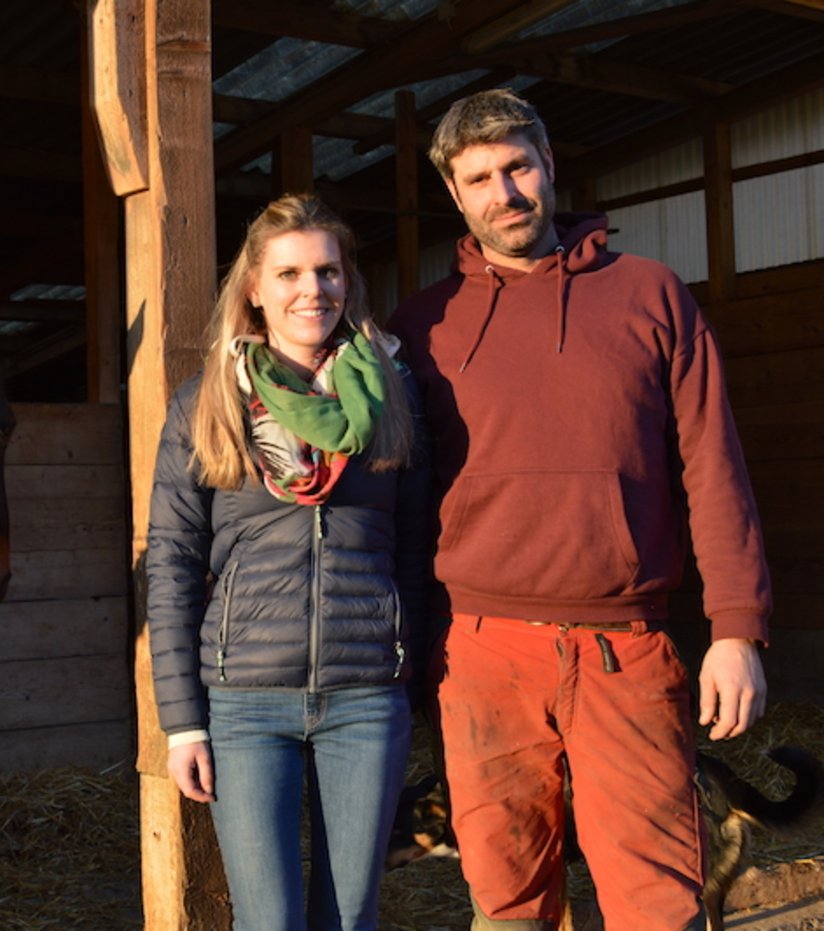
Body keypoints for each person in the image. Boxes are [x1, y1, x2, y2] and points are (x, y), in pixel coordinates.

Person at [387, 89, 771, 931]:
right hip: (480, 650)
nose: (506, 192)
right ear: (455, 194)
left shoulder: (650, 294)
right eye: (480, 177)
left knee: (657, 898)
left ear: (549, 164)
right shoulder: (422, 327)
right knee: (509, 897)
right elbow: (398, 505)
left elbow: (713, 465)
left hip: (625, 648)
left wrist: (737, 627)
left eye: (518, 166)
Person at [146, 193, 431, 931]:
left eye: (328, 271)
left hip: (366, 697)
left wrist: (409, 672)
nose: (313, 290)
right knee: (269, 920)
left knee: (350, 915)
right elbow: (172, 563)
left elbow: (417, 548)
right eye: (291, 273)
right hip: (244, 703)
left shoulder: (392, 397)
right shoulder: (206, 404)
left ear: (349, 281)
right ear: (254, 288)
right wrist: (182, 723)